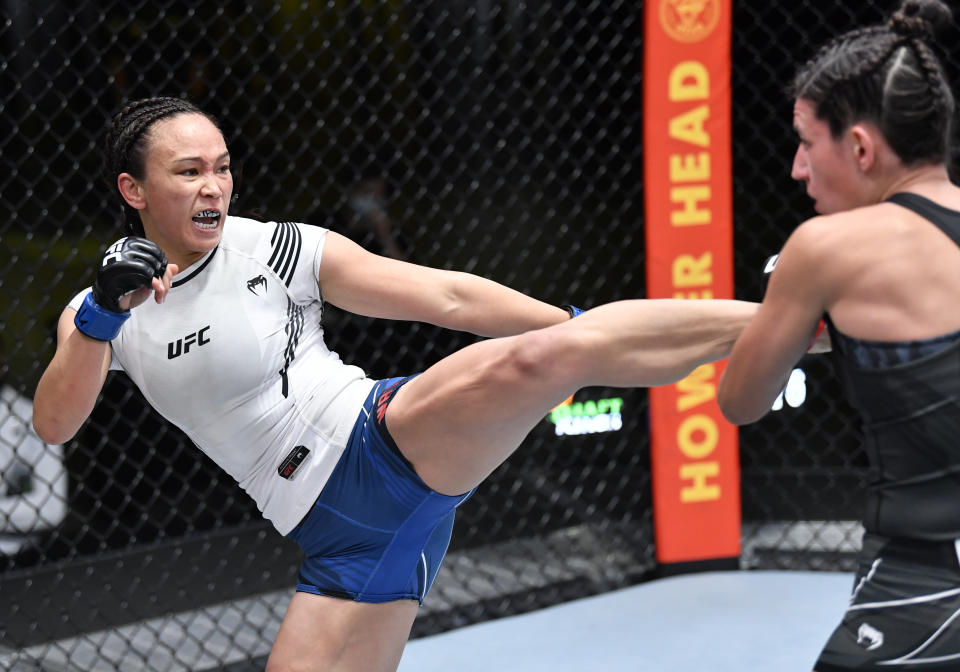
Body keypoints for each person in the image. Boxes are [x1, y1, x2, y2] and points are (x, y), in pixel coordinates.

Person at [33, 96, 757, 672]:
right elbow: (55, 423)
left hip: (382, 441)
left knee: (541, 357)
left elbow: (444, 298)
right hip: (342, 547)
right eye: (189, 171)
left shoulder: (274, 248)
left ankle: (783, 323)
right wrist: (101, 316)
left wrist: (565, 326)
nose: (214, 187)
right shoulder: (102, 311)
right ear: (134, 189)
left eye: (222, 167)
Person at [717, 1, 960, 669]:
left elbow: (740, 402)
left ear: (858, 147)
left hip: (926, 574)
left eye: (805, 140)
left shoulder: (826, 248)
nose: (797, 168)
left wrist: (791, 306)